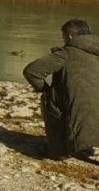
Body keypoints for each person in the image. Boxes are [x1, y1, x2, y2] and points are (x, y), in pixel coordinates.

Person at [23, 19, 99, 160]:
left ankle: (58, 151)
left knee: (49, 99)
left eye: (63, 36)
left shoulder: (66, 54)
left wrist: (45, 90)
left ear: (70, 36)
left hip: (78, 114)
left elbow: (32, 72)